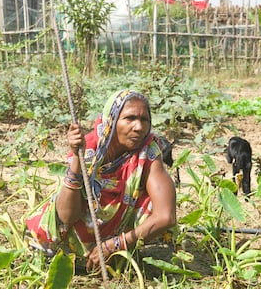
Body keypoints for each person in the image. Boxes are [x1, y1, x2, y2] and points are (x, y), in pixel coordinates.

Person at [25, 89, 176, 272]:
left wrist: (116, 244)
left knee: (156, 208)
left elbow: (166, 216)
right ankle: (78, 258)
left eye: (144, 120)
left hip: (118, 236)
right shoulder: (88, 149)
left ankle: (118, 254)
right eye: (129, 118)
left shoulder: (148, 150)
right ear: (111, 121)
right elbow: (66, 216)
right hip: (80, 228)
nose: (139, 127)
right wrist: (76, 160)